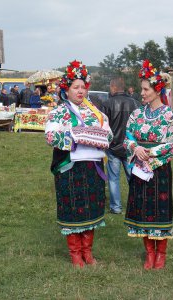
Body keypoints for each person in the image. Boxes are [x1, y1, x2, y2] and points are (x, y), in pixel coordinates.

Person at [45, 60, 113, 268]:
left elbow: (108, 135)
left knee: (91, 208)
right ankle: (75, 254)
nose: (80, 90)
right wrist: (76, 135)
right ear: (66, 90)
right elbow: (50, 136)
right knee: (73, 209)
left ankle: (88, 252)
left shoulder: (95, 112)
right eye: (76, 87)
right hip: (70, 167)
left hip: (93, 167)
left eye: (83, 87)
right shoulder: (59, 112)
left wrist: (95, 135)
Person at [124, 60, 173, 270]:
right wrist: (134, 147)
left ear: (157, 90)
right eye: (141, 89)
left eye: (146, 89)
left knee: (159, 210)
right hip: (139, 169)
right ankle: (149, 253)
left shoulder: (168, 115)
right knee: (142, 209)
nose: (142, 93)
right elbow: (127, 135)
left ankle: (161, 254)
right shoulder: (137, 114)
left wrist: (150, 154)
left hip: (159, 170)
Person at [101, 77, 141, 214]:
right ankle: (137, 205)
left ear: (113, 87)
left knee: (113, 179)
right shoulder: (136, 103)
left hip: (113, 148)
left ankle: (116, 207)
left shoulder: (106, 104)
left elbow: (103, 128)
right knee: (134, 178)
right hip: (131, 147)